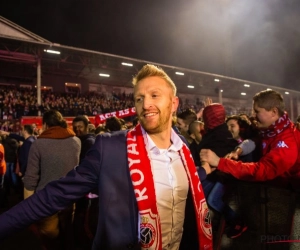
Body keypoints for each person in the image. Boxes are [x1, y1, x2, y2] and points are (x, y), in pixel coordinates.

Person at [0, 64, 212, 250]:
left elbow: (184, 182)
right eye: (139, 98)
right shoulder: (110, 148)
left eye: (154, 95)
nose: (145, 104)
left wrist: (206, 169)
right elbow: (54, 195)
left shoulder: (182, 148)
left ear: (174, 104)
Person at [200, 89, 300, 189]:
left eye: (257, 111)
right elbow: (256, 140)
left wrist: (220, 162)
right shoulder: (273, 130)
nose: (253, 115)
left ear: (274, 112)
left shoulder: (288, 140)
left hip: (288, 197)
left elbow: (263, 170)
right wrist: (238, 151)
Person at [24, 110, 81, 250]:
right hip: (69, 198)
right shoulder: (76, 141)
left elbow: (31, 179)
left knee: (50, 242)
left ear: (45, 125)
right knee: (66, 237)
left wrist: (28, 208)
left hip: (46, 201)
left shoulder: (39, 144)